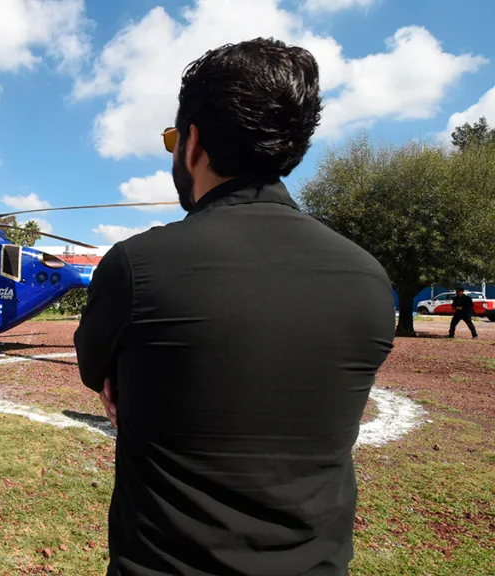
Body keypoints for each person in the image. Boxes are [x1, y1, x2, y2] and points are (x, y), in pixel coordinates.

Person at [74, 38, 395, 575]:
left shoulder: (137, 265)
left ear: (192, 142)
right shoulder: (368, 278)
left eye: (173, 138)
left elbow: (99, 376)